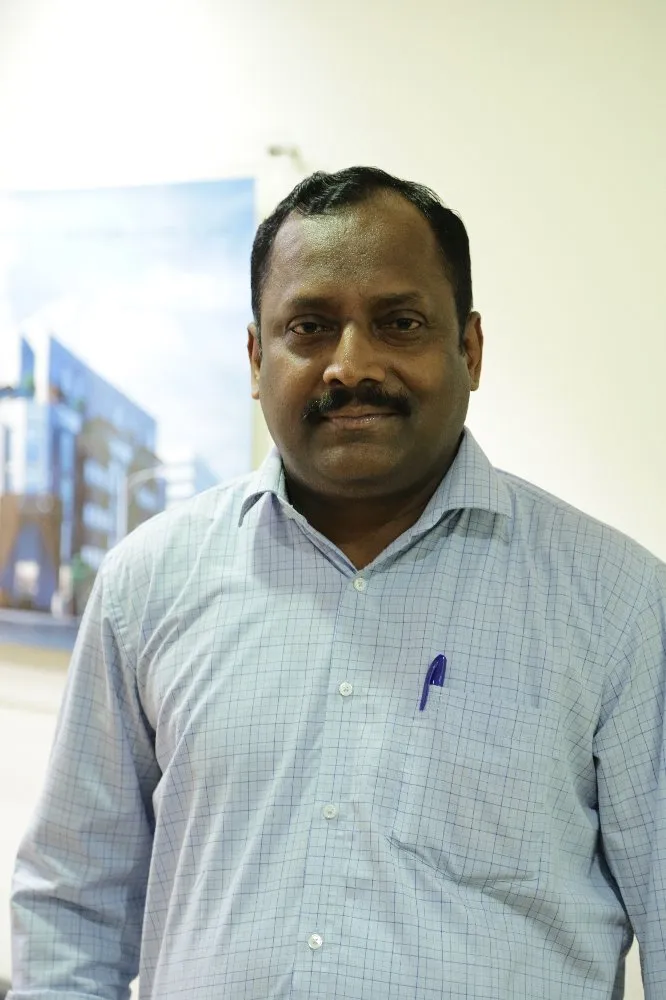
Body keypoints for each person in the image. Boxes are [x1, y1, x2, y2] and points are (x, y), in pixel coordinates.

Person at [8, 166, 666, 1000]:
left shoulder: (619, 605)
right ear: (256, 356)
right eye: (311, 327)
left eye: (398, 323)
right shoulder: (149, 586)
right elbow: (73, 903)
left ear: (468, 349)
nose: (349, 366)